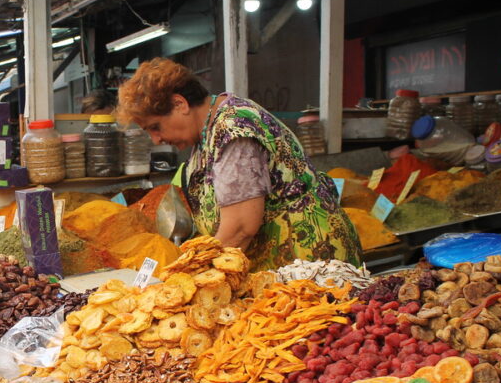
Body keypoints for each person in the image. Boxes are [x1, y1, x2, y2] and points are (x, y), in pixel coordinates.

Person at [117, 58, 361, 271]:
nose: (156, 139)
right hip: (275, 264)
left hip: (310, 263)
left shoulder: (233, 130)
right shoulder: (206, 133)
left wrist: (193, 278)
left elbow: (241, 228)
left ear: (180, 104)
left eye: (155, 127)